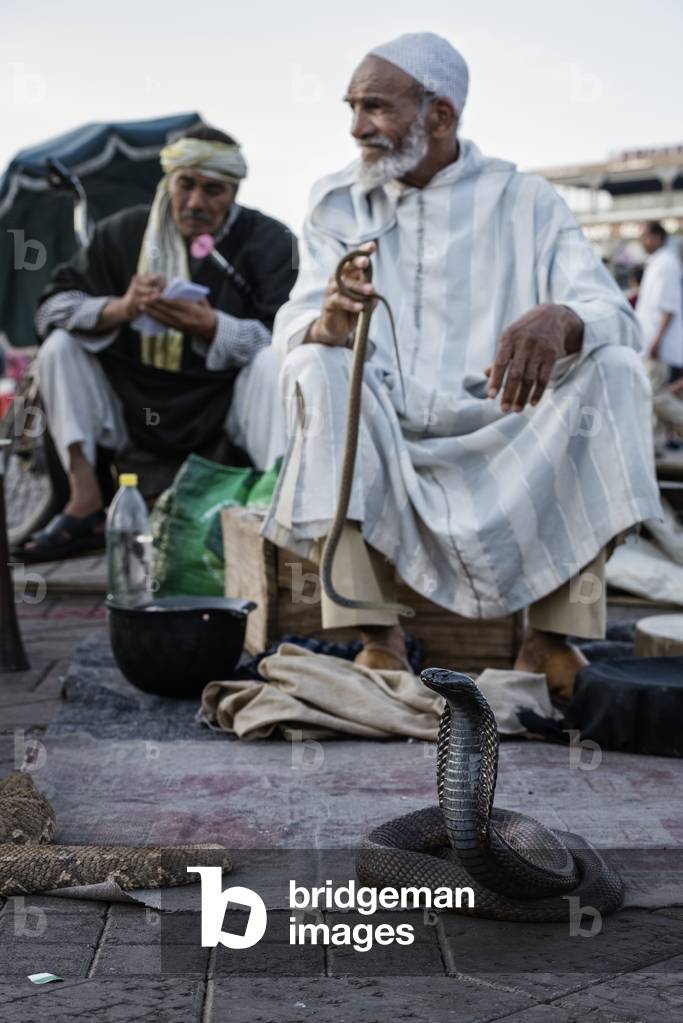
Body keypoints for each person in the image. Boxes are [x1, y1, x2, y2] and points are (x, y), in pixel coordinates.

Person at [262, 32, 661, 698]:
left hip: (505, 429)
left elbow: (611, 312)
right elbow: (296, 324)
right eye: (352, 108)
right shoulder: (335, 201)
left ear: (439, 116)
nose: (357, 127)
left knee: (615, 369)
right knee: (313, 366)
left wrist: (560, 318)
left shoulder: (525, 200)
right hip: (384, 428)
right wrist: (332, 316)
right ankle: (378, 640)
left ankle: (548, 641)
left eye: (375, 108)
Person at [19, 123, 297, 562]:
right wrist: (121, 308)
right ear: (168, 181)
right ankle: (85, 502)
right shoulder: (121, 234)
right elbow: (50, 310)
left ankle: (276, 510)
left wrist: (213, 327)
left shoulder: (270, 241)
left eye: (214, 191)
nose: (195, 203)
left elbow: (290, 334)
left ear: (235, 191)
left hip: (219, 402)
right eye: (185, 185)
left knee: (271, 363)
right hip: (132, 400)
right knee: (59, 348)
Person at [636, 221, 683, 453]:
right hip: (652, 341)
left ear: (658, 237)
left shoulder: (666, 264)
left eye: (645, 236)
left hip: (658, 343)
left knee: (654, 396)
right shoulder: (658, 263)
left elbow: (667, 306)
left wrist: (657, 340)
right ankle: (656, 448)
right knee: (654, 399)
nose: (642, 241)